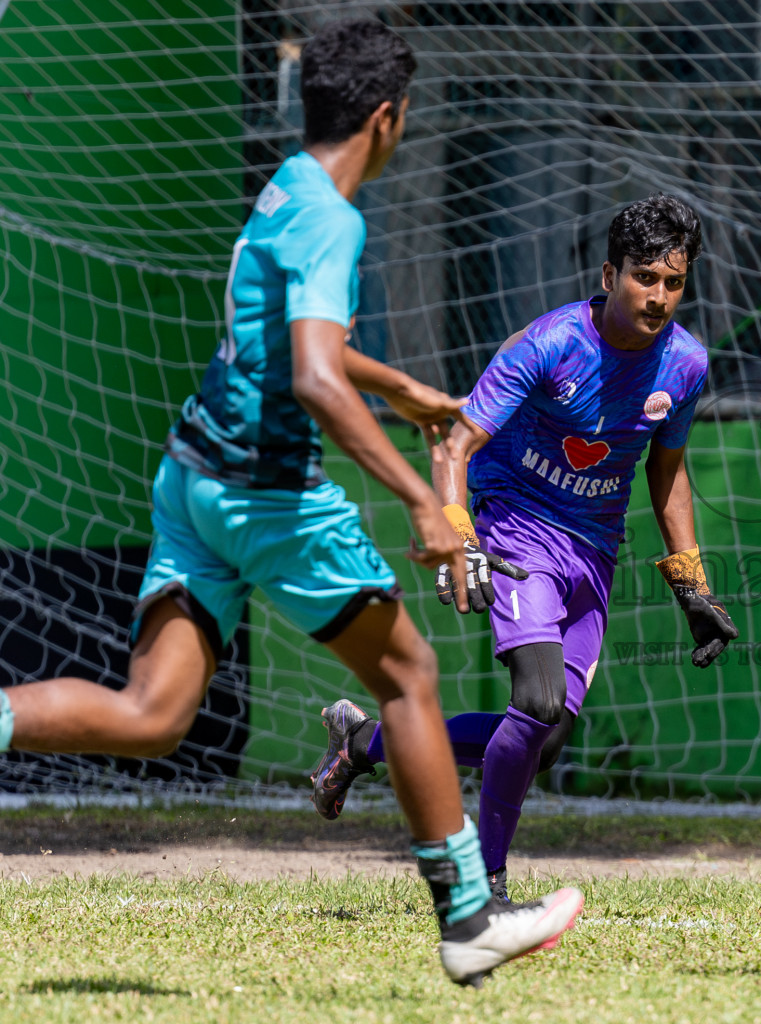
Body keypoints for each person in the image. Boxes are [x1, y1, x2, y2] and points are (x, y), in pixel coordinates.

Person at [0, 18, 580, 988]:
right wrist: (423, 502)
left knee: (152, 711)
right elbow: (313, 377)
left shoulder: (284, 190)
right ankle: (469, 914)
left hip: (193, 477)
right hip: (266, 496)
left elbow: (296, 342)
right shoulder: (333, 219)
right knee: (410, 678)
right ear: (389, 118)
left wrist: (397, 387)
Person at [309, 193, 738, 899]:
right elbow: (455, 444)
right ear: (609, 275)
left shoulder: (686, 365)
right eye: (644, 277)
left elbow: (668, 473)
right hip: (514, 529)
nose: (659, 295)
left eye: (673, 281)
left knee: (541, 743)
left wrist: (691, 587)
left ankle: (360, 744)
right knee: (535, 702)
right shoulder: (548, 344)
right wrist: (461, 541)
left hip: (593, 551)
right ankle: (484, 887)